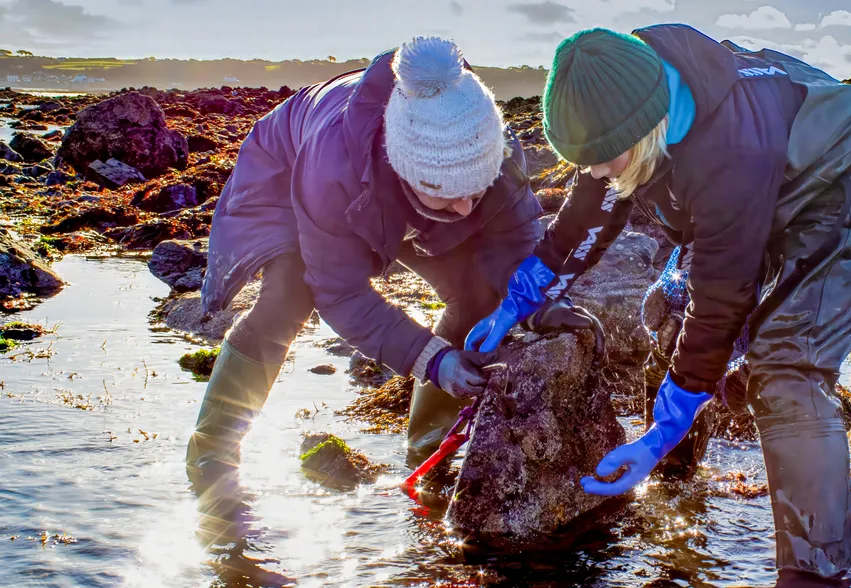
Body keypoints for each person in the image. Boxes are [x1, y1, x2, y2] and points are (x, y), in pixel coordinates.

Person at [465, 24, 851, 588]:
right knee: (671, 306)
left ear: (641, 130)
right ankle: (680, 477)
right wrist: (515, 304)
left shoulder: (727, 150)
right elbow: (584, 218)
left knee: (786, 370)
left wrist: (658, 432)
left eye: (600, 159)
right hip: (755, 185)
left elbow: (723, 294)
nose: (594, 172)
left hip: (844, 177)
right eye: (584, 160)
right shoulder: (629, 101)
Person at [186, 36, 595, 486]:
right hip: (290, 171)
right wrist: (431, 359)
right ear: (404, 171)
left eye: (476, 191)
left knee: (476, 291)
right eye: (448, 194)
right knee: (289, 297)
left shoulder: (490, 144)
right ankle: (212, 454)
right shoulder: (332, 170)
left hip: (392, 194)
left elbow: (515, 248)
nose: (464, 210)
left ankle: (429, 454)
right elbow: (340, 293)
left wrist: (541, 306)